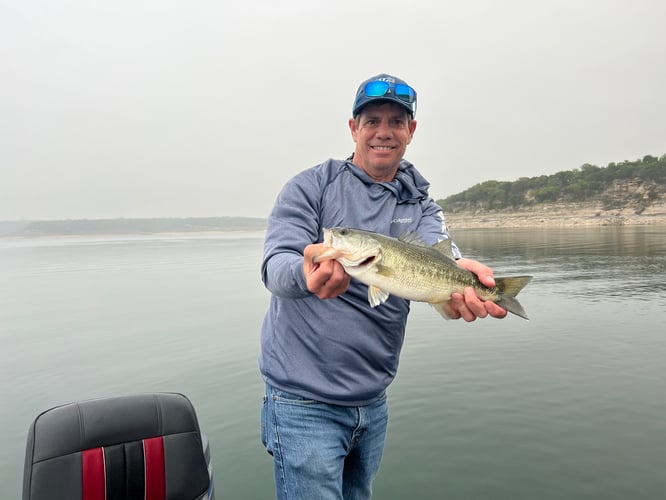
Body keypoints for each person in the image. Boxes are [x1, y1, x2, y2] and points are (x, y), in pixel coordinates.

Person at [259, 73, 507, 500]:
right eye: (372, 120)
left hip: (373, 401)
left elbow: (442, 260)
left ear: (411, 131)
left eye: (396, 121)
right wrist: (306, 275)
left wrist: (462, 282)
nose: (383, 132)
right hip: (303, 403)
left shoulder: (420, 203)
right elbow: (275, 265)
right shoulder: (311, 187)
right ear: (353, 128)